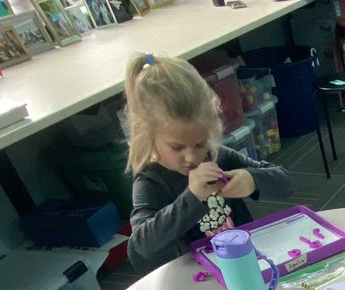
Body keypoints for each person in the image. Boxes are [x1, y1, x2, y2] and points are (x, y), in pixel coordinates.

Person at [124, 52, 293, 274]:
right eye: (177, 147)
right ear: (149, 136)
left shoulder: (217, 156)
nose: (192, 158)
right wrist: (192, 198)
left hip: (244, 264)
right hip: (198, 277)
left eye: (200, 144)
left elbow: (286, 184)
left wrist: (252, 179)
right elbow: (140, 248)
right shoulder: (151, 181)